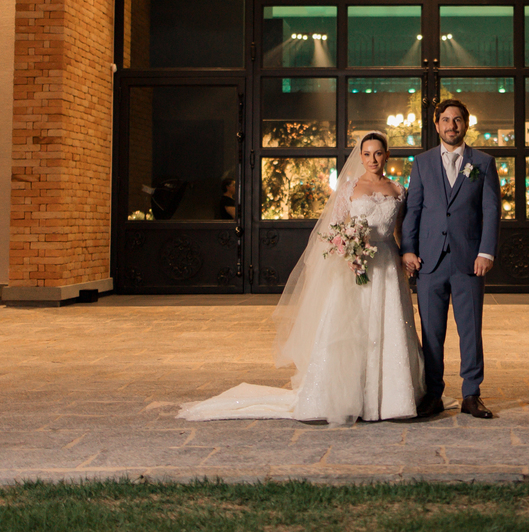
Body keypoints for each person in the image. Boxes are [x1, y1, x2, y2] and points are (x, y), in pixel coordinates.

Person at [177, 132, 424, 425]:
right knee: (352, 328)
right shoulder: (349, 187)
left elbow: (399, 230)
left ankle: (389, 399)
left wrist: (405, 255)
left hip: (387, 263)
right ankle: (347, 396)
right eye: (367, 154)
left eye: (378, 153)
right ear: (360, 157)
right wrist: (348, 250)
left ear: (387, 155)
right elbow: (334, 229)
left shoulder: (397, 189)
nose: (373, 159)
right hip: (356, 265)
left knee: (388, 325)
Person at [402, 99, 501, 420]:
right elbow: (413, 210)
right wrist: (408, 249)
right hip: (429, 261)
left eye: (457, 120)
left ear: (466, 124)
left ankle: (471, 394)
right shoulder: (422, 163)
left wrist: (486, 252)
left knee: (470, 329)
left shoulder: (483, 163)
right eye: (445, 120)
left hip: (469, 261)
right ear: (436, 125)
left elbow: (491, 210)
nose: (451, 125)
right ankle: (433, 394)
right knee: (431, 332)